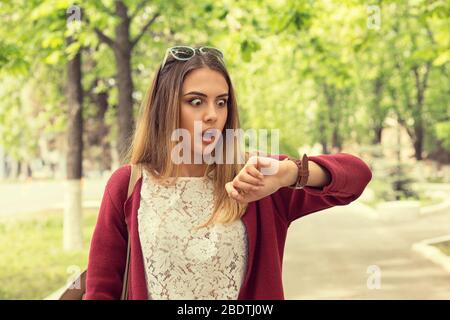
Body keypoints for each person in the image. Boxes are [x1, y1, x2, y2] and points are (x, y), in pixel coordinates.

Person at [84, 46, 372, 300]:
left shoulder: (257, 179)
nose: (212, 114)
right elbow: (100, 291)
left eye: (221, 102)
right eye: (196, 101)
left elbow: (357, 176)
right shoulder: (129, 185)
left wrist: (289, 173)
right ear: (165, 107)